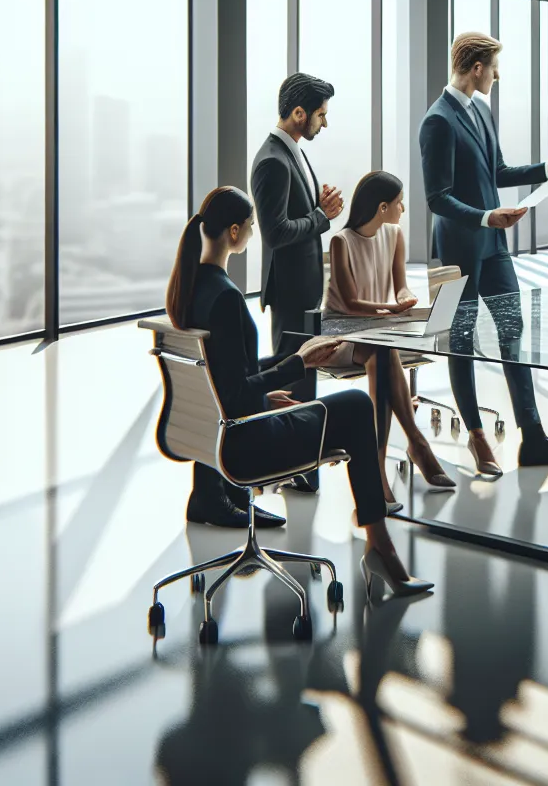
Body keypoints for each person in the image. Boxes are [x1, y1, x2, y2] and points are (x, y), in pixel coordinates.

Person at [166, 186, 431, 597]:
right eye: (251, 227)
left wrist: (279, 378)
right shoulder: (226, 299)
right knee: (358, 405)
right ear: (234, 233)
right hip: (246, 442)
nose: (254, 234)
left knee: (344, 405)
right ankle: (382, 548)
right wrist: (298, 364)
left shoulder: (194, 288)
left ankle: (381, 544)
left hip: (219, 433)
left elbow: (226, 379)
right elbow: (235, 394)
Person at [418, 31, 548, 475]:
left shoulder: (482, 112)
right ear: (476, 68)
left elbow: (498, 172)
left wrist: (544, 168)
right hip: (454, 252)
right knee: (459, 339)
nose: (497, 74)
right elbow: (437, 198)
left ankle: (533, 438)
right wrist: (488, 217)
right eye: (493, 67)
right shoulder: (437, 121)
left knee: (513, 327)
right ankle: (475, 435)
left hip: (493, 248)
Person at [324, 170, 459, 507]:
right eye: (399, 203)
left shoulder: (394, 234)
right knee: (382, 353)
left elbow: (400, 283)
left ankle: (378, 468)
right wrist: (390, 309)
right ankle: (416, 442)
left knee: (382, 353)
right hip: (342, 334)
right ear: (382, 207)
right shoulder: (341, 242)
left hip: (379, 331)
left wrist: (403, 298)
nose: (403, 209)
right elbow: (351, 303)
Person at [252, 72, 345, 493]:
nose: (324, 125)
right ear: (298, 113)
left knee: (304, 378)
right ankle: (294, 465)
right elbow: (276, 233)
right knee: (292, 380)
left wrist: (316, 205)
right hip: (290, 292)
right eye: (320, 116)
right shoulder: (272, 159)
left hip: (303, 288)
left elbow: (295, 217)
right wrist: (322, 217)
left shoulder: (292, 152)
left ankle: (303, 468)